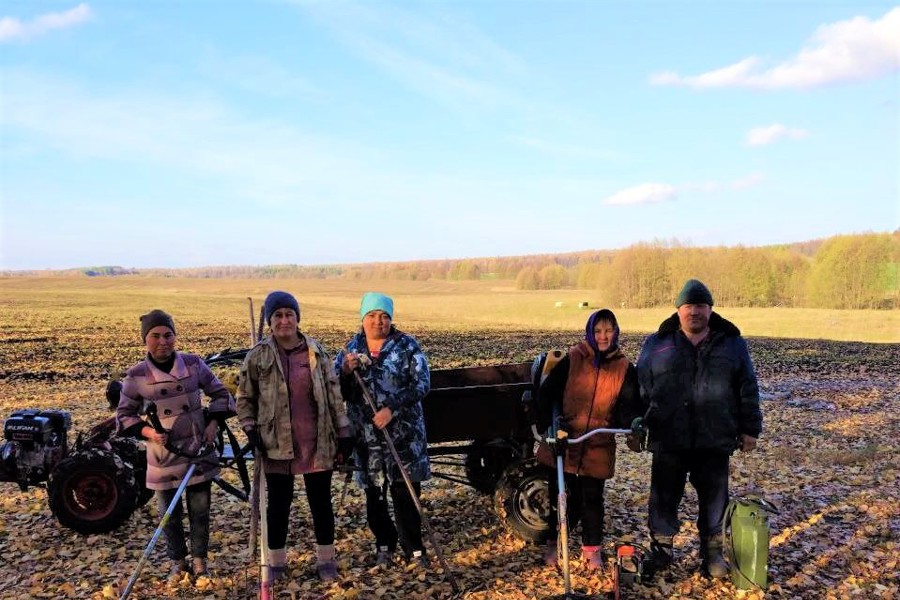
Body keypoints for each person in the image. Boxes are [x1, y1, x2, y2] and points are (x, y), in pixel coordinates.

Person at [636, 279, 762, 578]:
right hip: (669, 438)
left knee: (715, 499)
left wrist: (750, 429)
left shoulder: (731, 343)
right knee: (663, 498)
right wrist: (635, 425)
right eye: (689, 306)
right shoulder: (657, 343)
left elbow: (747, 386)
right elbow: (639, 388)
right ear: (678, 310)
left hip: (714, 438)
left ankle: (712, 554)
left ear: (710, 309)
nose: (695, 312)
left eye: (701, 306)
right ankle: (662, 551)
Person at [236, 291, 353, 582]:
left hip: (316, 441)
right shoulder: (258, 356)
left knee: (320, 502)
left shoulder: (317, 353)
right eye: (278, 316)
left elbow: (333, 394)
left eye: (289, 314)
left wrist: (344, 432)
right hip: (275, 443)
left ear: (298, 318)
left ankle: (326, 560)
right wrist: (251, 428)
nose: (284, 320)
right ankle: (276, 563)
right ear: (270, 321)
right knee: (277, 505)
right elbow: (244, 397)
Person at [116, 309, 236, 582]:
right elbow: (123, 416)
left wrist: (212, 424)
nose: (163, 341)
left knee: (200, 510)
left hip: (197, 452)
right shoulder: (136, 375)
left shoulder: (194, 364)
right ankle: (177, 563)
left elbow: (220, 394)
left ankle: (200, 562)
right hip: (163, 457)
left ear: (175, 336)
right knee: (169, 514)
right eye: (155, 336)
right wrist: (148, 431)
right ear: (145, 340)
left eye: (168, 335)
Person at [534, 308, 642, 570]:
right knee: (559, 495)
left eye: (608, 330)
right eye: (598, 331)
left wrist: (634, 423)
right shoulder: (574, 358)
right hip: (564, 440)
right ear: (590, 333)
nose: (603, 336)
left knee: (593, 500)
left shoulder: (624, 367)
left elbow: (629, 406)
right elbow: (546, 395)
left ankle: (591, 551)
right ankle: (554, 544)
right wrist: (549, 425)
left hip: (597, 443)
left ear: (615, 332)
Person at [334, 292, 431, 567]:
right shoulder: (349, 350)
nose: (379, 322)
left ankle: (414, 548)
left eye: (385, 316)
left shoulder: (407, 346)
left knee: (406, 493)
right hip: (367, 438)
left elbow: (422, 384)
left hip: (404, 436)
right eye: (373, 316)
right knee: (374, 495)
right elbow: (338, 392)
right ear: (363, 319)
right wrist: (344, 372)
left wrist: (392, 408)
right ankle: (384, 544)